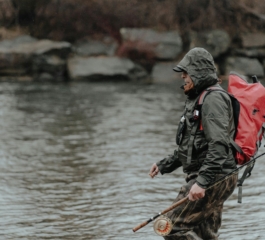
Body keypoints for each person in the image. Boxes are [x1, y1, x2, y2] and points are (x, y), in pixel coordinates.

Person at [149, 47, 238, 240]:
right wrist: (165, 164)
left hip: (214, 177)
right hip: (215, 175)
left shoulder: (212, 99)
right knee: (205, 234)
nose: (182, 76)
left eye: (186, 72)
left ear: (198, 73)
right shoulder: (199, 98)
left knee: (168, 227)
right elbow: (191, 146)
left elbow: (219, 144)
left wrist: (202, 182)